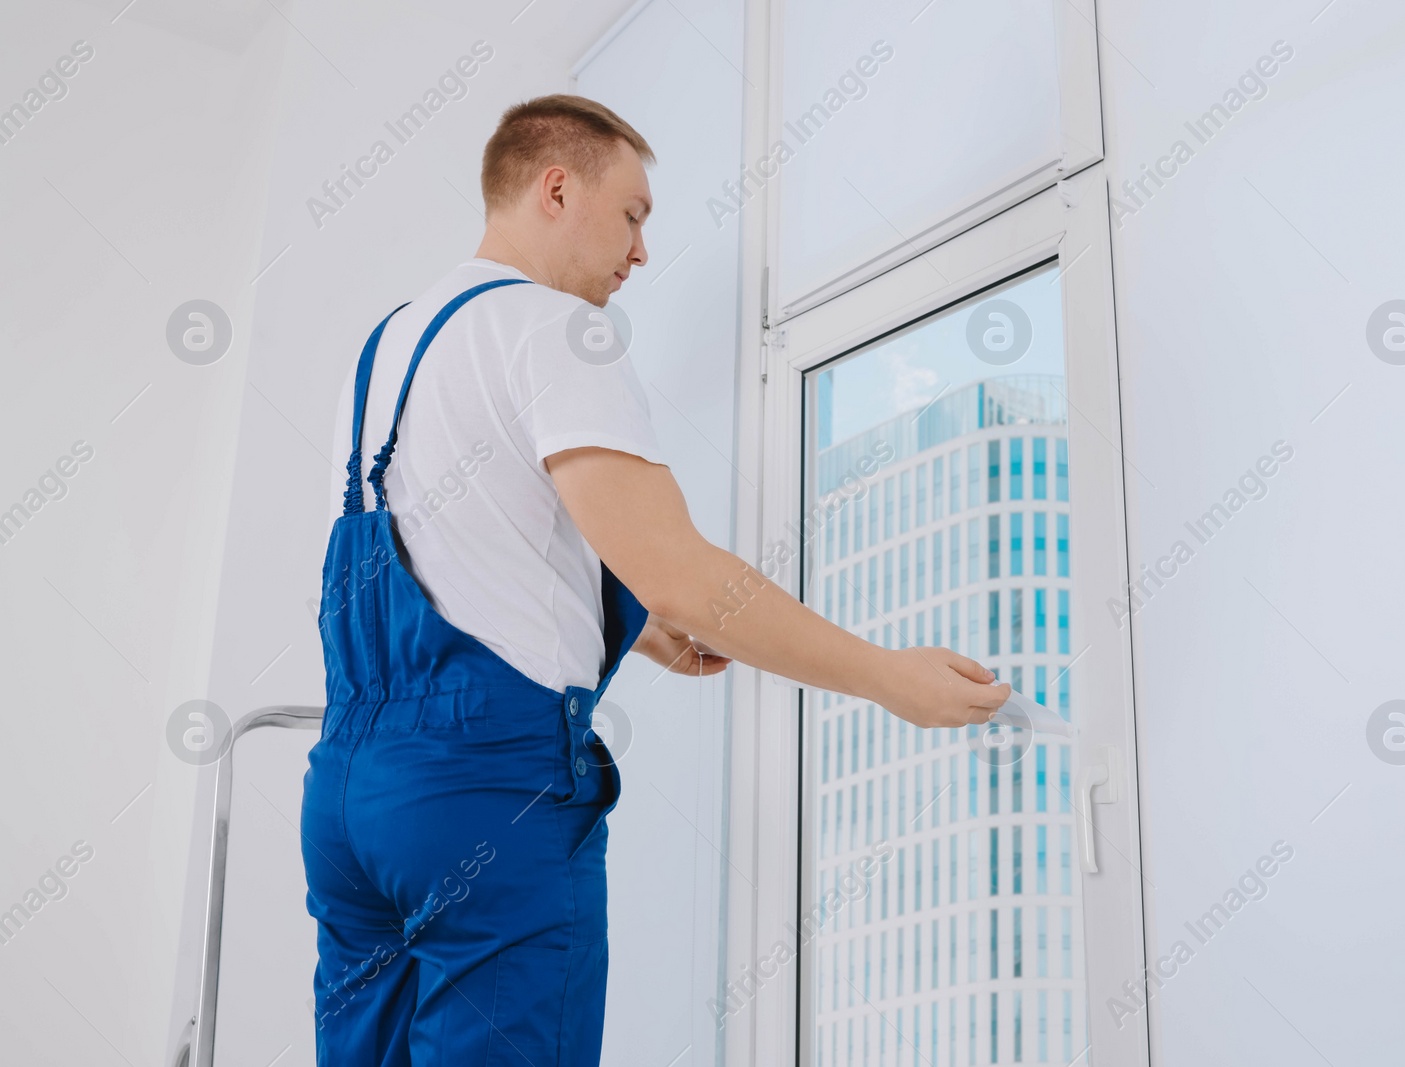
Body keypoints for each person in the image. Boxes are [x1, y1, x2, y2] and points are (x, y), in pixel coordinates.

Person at [300, 93, 1008, 1067]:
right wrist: (890, 676)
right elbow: (680, 575)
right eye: (632, 213)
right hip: (486, 796)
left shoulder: (389, 344)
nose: (639, 252)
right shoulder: (555, 330)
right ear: (556, 188)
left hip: (350, 797)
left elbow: (465, 537)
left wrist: (627, 626)